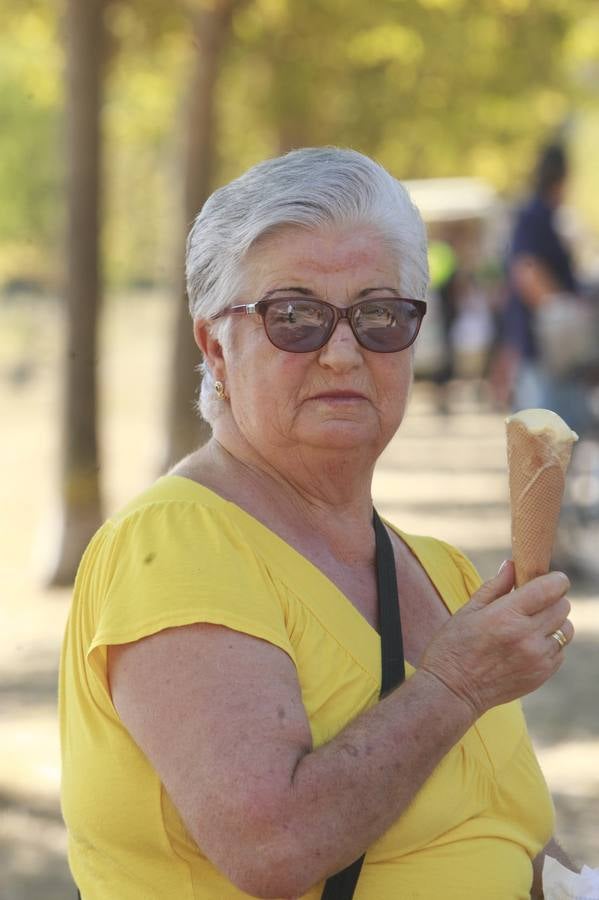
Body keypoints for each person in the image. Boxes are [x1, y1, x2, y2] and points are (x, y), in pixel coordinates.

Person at [60, 147, 576, 899]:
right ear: (215, 347)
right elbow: (274, 845)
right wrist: (457, 684)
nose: (341, 352)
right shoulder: (174, 543)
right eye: (293, 317)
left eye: (378, 315)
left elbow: (500, 836)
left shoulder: (445, 573)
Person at [500, 143, 590, 431]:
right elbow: (527, 272)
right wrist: (565, 311)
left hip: (550, 355)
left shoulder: (542, 216)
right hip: (543, 351)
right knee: (545, 440)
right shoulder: (535, 215)